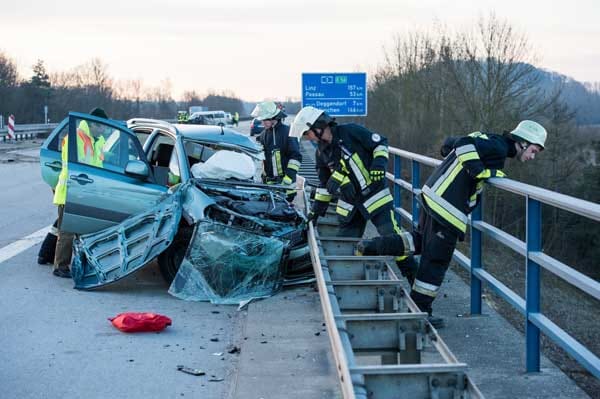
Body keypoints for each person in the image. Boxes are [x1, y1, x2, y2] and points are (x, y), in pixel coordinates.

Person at [357, 120, 548, 328]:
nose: (532, 156)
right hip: (446, 208)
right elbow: (464, 143)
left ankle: (372, 246)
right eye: (533, 150)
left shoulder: (490, 139)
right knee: (435, 262)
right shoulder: (499, 147)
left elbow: (450, 143)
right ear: (522, 143)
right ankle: (418, 312)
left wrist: (453, 155)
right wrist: (481, 172)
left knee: (418, 242)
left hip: (432, 197)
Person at [289, 106, 414, 260]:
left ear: (318, 126)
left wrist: (379, 164)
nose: (308, 138)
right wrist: (315, 212)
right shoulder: (321, 153)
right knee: (343, 247)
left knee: (394, 241)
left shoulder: (351, 131)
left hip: (375, 197)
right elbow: (325, 185)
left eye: (307, 133)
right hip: (350, 206)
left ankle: (411, 275)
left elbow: (380, 143)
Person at [52, 107, 108, 278]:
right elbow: (74, 168)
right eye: (101, 126)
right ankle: (60, 267)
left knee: (83, 231)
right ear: (93, 124)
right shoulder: (75, 138)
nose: (104, 129)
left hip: (85, 193)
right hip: (71, 192)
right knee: (67, 232)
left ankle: (80, 264)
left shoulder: (96, 140)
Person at [252, 101, 302, 202]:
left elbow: (296, 157)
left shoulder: (288, 132)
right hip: (269, 185)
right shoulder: (263, 135)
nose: (262, 123)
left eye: (265, 120)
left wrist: (289, 177)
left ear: (274, 118)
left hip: (286, 186)